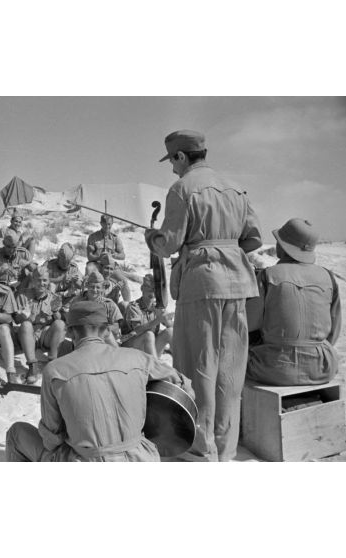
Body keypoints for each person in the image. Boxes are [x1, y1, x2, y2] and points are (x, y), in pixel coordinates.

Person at [145, 129, 262, 462]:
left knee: (198, 368)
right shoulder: (235, 188)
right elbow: (253, 239)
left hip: (201, 284)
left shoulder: (182, 189)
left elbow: (168, 243)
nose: (172, 169)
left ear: (181, 157)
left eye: (173, 161)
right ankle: (225, 450)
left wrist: (152, 238)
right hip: (237, 284)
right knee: (230, 370)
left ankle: (200, 449)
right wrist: (225, 248)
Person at [5, 301, 182, 462]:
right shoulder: (139, 359)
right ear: (106, 331)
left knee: (16, 433)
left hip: (88, 460)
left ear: (70, 332)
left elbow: (52, 440)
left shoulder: (55, 370)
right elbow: (183, 386)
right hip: (140, 458)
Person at [247, 218, 341, 386]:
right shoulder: (328, 277)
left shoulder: (269, 275)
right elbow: (334, 331)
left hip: (273, 368)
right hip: (322, 368)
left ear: (282, 247)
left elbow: (249, 324)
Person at [15, 268, 66, 385]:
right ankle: (32, 366)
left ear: (48, 281)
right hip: (27, 336)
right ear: (33, 280)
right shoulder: (23, 295)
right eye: (38, 280)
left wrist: (55, 311)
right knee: (26, 324)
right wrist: (23, 316)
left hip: (44, 335)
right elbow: (16, 320)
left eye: (44, 280)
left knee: (60, 324)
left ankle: (52, 363)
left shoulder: (54, 298)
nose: (41, 283)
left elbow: (60, 323)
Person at [121, 274, 173, 358]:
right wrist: (157, 320)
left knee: (170, 332)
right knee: (149, 335)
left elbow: (171, 326)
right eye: (148, 288)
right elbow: (137, 330)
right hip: (131, 348)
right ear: (142, 289)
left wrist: (165, 319)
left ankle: (180, 366)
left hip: (149, 348)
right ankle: (154, 367)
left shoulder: (157, 307)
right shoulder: (134, 307)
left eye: (154, 289)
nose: (151, 292)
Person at [70, 271, 122, 347]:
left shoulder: (109, 304)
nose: (95, 290)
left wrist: (97, 330)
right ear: (87, 285)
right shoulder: (77, 302)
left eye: (98, 287)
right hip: (83, 340)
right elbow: (71, 326)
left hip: (103, 340)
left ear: (103, 288)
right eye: (92, 287)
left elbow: (116, 328)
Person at [42, 242, 84, 311]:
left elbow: (81, 286)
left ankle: (67, 309)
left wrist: (75, 282)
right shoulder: (49, 265)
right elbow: (39, 279)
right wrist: (60, 279)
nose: (66, 264)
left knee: (77, 290)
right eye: (63, 261)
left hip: (65, 297)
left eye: (68, 261)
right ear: (59, 257)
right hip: (50, 297)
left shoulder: (73, 268)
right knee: (51, 286)